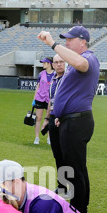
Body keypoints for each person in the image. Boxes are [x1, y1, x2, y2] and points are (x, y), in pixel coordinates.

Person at [37, 26, 100, 213]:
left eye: (70, 39)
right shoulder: (74, 63)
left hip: (77, 122)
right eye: (64, 40)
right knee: (73, 168)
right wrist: (60, 116)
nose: (66, 42)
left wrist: (52, 44)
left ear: (82, 42)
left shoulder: (88, 58)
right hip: (68, 121)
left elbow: (81, 63)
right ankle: (77, 210)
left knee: (76, 170)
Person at [42, 54, 66, 193]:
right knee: (57, 153)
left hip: (65, 119)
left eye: (61, 62)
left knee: (67, 153)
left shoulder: (68, 79)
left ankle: (71, 183)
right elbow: (50, 101)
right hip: (53, 118)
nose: (58, 64)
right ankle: (62, 185)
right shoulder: (54, 79)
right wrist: (46, 119)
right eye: (56, 62)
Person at [32, 57, 54, 145]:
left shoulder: (55, 74)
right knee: (38, 118)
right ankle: (37, 137)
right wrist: (34, 99)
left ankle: (49, 138)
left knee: (49, 119)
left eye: (44, 63)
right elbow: (38, 86)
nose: (43, 64)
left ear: (49, 63)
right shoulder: (41, 74)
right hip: (40, 98)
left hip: (50, 99)